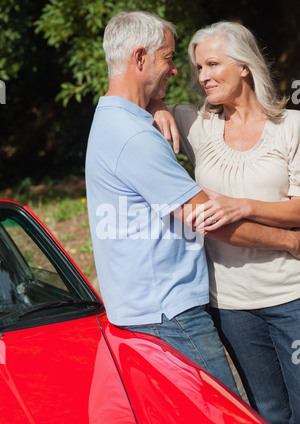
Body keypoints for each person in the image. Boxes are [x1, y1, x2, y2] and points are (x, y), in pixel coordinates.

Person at [85, 12, 300, 399]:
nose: (184, 72)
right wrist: (290, 242)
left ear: (245, 67)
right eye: (172, 59)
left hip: (274, 296)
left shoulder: (117, 121)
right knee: (235, 419)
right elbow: (208, 221)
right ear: (140, 59)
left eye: (211, 64)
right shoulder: (153, 131)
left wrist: (156, 104)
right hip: (190, 308)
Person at [150, 20, 300, 424]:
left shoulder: (291, 126)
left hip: (292, 296)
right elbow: (130, 103)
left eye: (213, 64)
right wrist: (158, 105)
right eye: (198, 67)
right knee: (268, 418)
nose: (203, 77)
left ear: (246, 67)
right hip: (230, 304)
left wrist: (245, 206)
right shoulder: (193, 124)